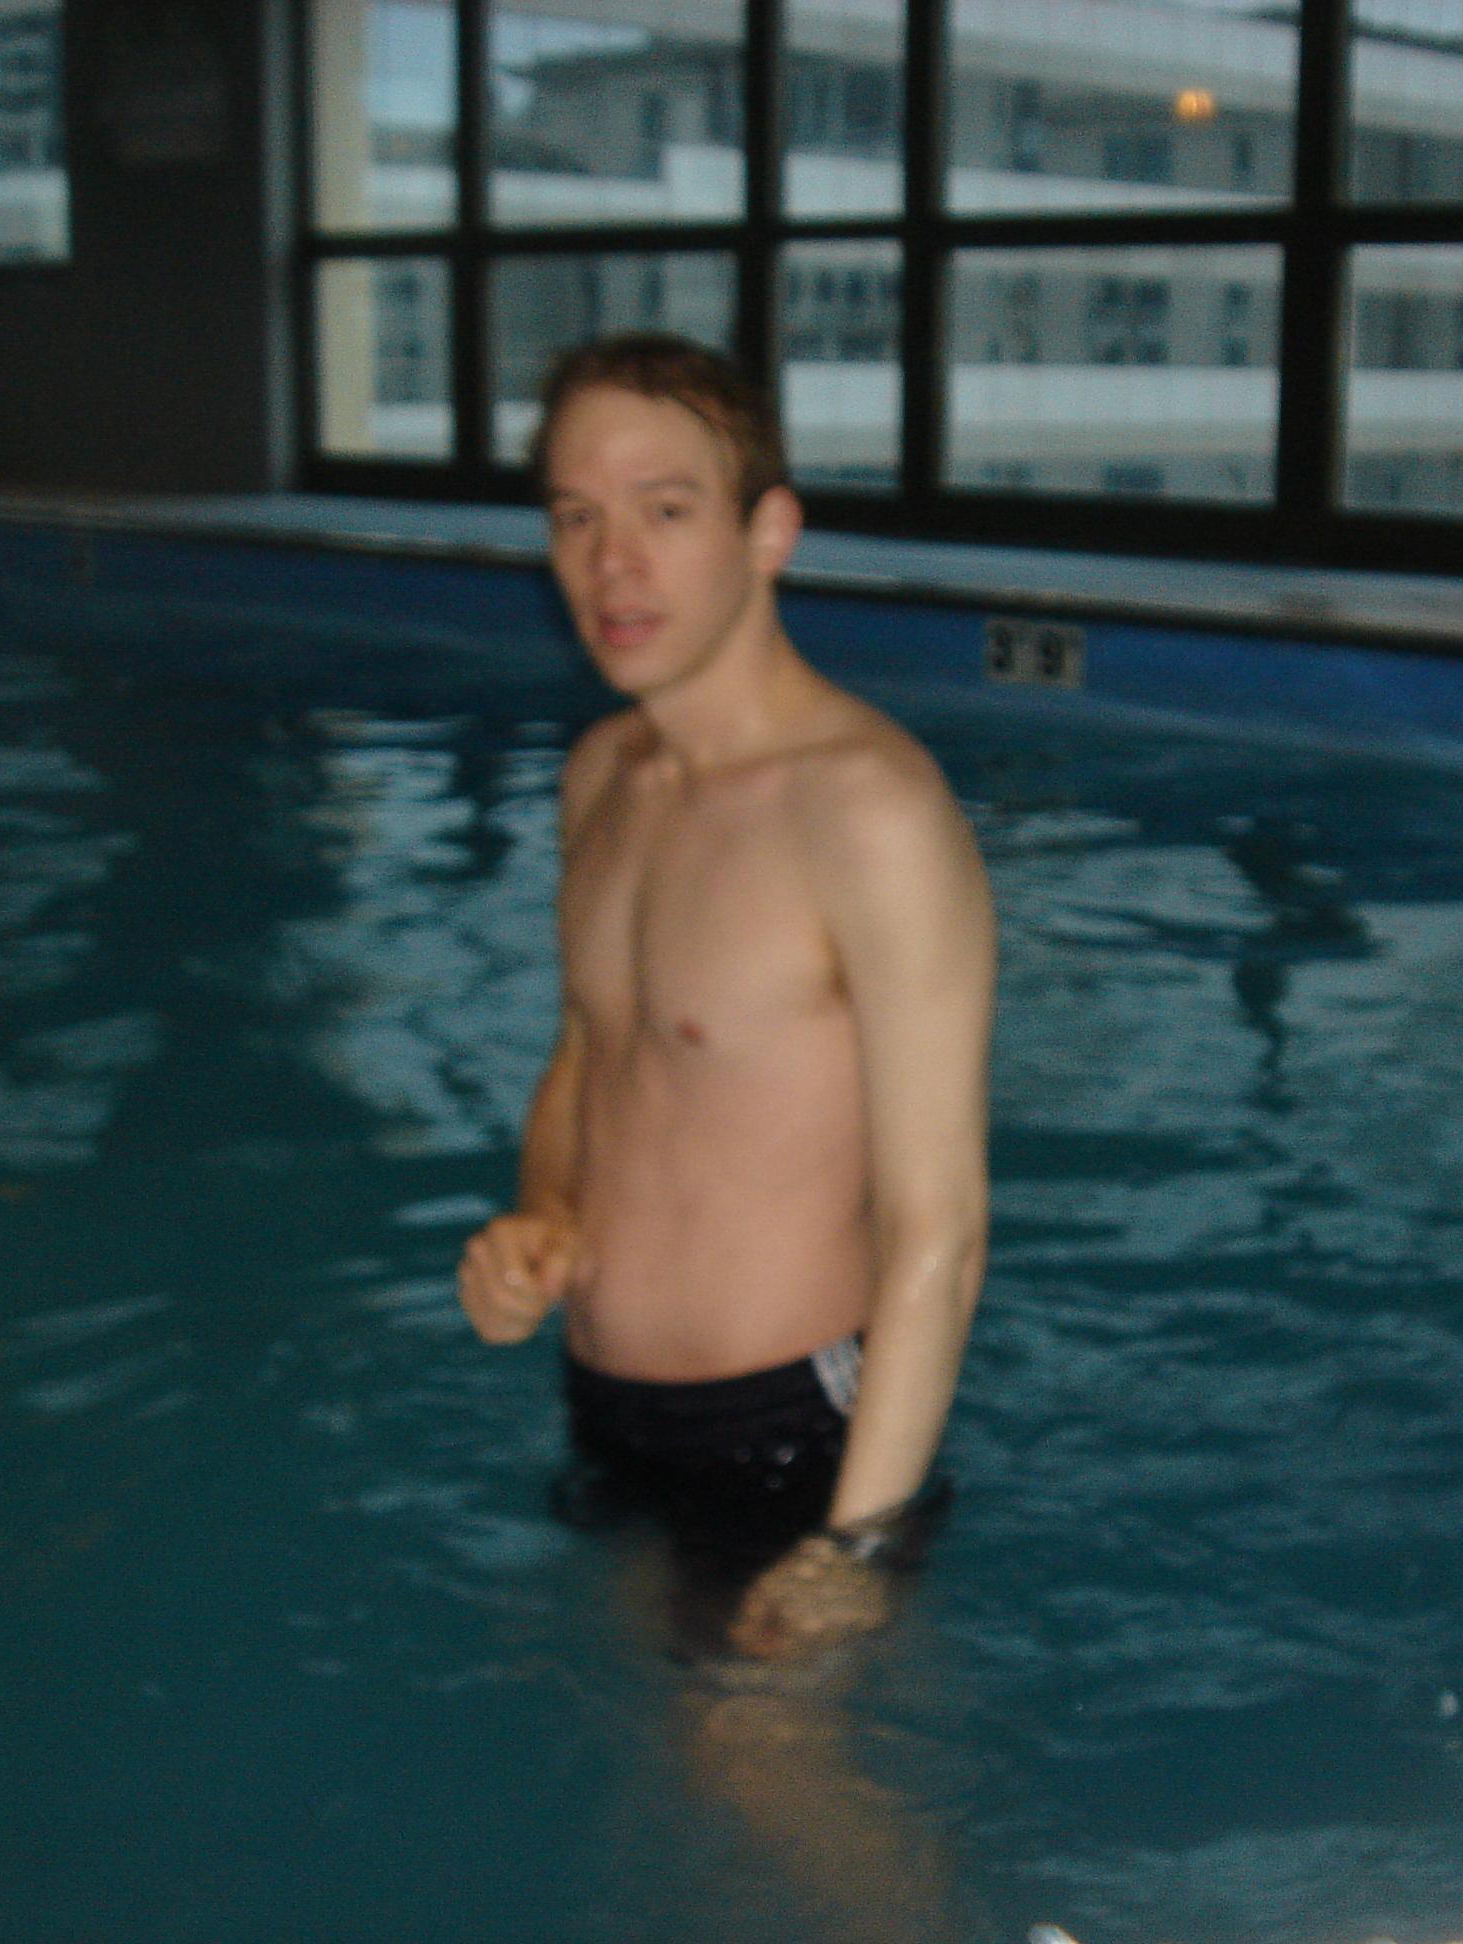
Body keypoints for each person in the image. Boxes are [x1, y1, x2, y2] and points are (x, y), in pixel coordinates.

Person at [455, 334, 996, 1662]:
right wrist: (544, 1218)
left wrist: (857, 1541)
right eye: (575, 518)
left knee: (777, 1776)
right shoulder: (600, 776)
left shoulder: (867, 813)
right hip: (609, 1402)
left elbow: (941, 1225)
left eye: (665, 512)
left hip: (791, 1435)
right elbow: (588, 1057)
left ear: (769, 533)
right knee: (647, 1749)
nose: (612, 563)